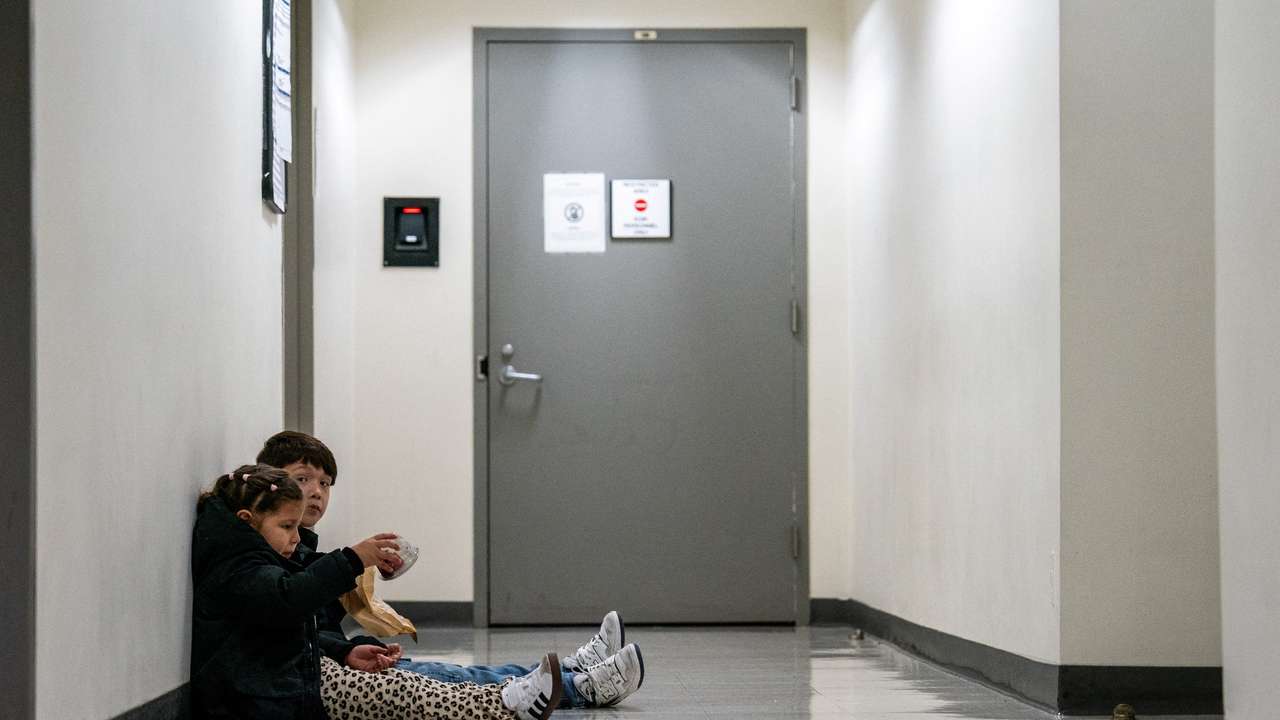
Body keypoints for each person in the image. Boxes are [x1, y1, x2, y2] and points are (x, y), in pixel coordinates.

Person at [256, 431, 645, 708]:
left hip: (333, 659)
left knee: (454, 673)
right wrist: (348, 638)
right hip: (324, 672)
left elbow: (313, 621)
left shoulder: (299, 543)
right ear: (271, 485)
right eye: (303, 479)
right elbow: (298, 625)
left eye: (325, 482)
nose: (317, 491)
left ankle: (574, 671)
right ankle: (581, 688)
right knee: (448, 678)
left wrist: (354, 581)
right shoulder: (272, 551)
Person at [191, 463, 562, 720]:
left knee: (405, 683)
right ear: (247, 520)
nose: (295, 536)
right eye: (287, 526)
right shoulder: (238, 568)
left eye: (324, 482)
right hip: (266, 701)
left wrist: (343, 648)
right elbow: (291, 599)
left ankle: (508, 698)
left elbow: (293, 625)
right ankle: (507, 705)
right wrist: (352, 559)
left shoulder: (251, 557)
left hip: (288, 687)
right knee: (403, 694)